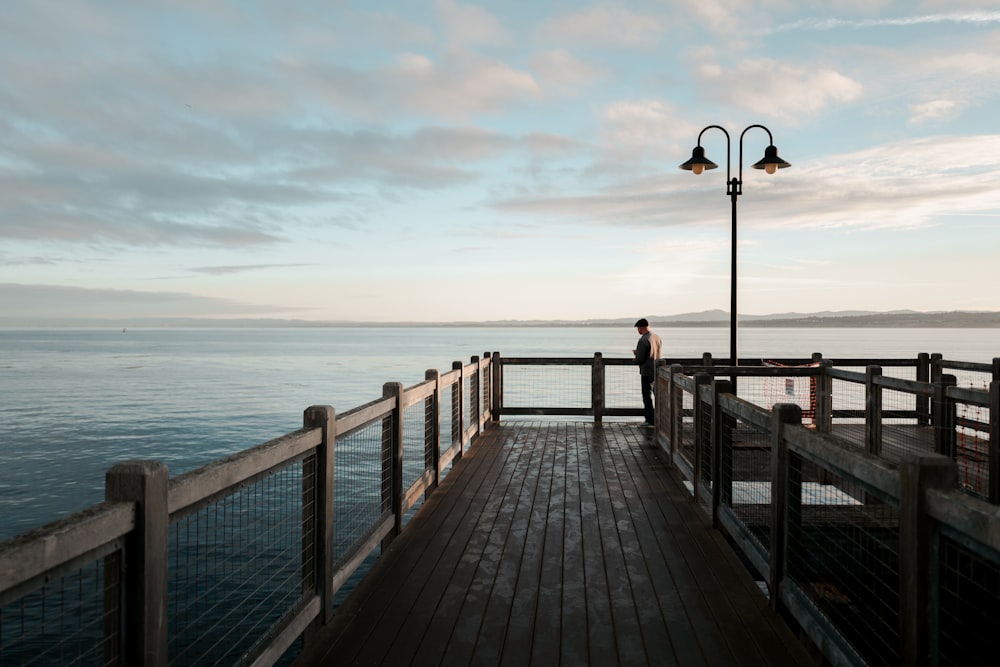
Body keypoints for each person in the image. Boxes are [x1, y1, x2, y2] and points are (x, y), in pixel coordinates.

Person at [632, 318, 662, 426]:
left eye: (638, 328)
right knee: (658, 395)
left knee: (647, 396)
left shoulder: (643, 340)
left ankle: (650, 420)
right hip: (657, 371)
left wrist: (636, 356)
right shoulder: (657, 337)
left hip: (646, 371)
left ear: (642, 327)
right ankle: (661, 418)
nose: (638, 330)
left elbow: (640, 359)